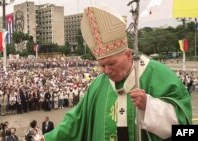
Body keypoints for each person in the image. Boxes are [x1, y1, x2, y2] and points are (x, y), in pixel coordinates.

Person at [42, 6, 192, 141]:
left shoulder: (158, 75)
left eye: (112, 64)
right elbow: (75, 121)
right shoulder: (97, 85)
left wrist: (149, 106)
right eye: (102, 65)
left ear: (128, 55)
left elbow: (185, 129)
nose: (106, 71)